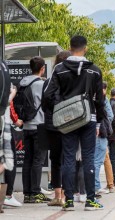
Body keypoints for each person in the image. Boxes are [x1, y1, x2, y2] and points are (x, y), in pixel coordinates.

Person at [44, 35, 105, 211]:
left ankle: (68, 201)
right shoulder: (95, 70)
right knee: (88, 159)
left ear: (70, 48)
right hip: (88, 118)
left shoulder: (59, 69)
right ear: (85, 48)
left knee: (68, 159)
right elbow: (100, 100)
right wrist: (99, 122)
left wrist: (57, 110)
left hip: (67, 119)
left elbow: (48, 95)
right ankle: (90, 200)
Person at [42, 50, 71, 207]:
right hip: (69, 124)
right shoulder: (72, 80)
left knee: (55, 160)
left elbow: (44, 102)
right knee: (68, 159)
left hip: (53, 124)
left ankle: (57, 196)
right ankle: (67, 196)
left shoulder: (48, 81)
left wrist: (52, 112)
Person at [21, 56, 50, 203]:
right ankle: (36, 193)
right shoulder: (42, 84)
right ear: (42, 68)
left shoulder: (23, 83)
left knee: (28, 159)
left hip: (26, 125)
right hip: (40, 125)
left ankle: (27, 194)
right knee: (38, 160)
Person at [3, 85, 23, 207]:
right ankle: (8, 195)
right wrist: (13, 93)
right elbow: (7, 103)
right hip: (4, 125)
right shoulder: (3, 77)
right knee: (10, 160)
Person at [95, 81, 114, 196]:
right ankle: (96, 186)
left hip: (90, 132)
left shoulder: (89, 96)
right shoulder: (103, 99)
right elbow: (110, 116)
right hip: (101, 132)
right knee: (97, 161)